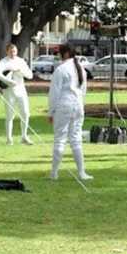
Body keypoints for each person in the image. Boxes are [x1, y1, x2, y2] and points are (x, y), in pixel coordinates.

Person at [48, 44, 92, 181]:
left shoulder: (61, 69)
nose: (59, 56)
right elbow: (83, 91)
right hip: (78, 105)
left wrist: (51, 111)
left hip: (64, 105)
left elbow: (54, 93)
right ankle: (81, 172)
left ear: (66, 54)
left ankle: (54, 173)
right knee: (76, 139)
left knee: (60, 139)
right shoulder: (81, 69)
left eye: (60, 54)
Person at [0, 44, 34, 145]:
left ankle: (24, 136)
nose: (13, 53)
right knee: (9, 115)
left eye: (14, 51)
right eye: (11, 51)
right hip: (9, 92)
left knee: (25, 113)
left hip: (21, 90)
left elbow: (30, 75)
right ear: (7, 52)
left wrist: (21, 72)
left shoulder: (21, 61)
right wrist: (7, 80)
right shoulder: (4, 61)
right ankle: (9, 139)